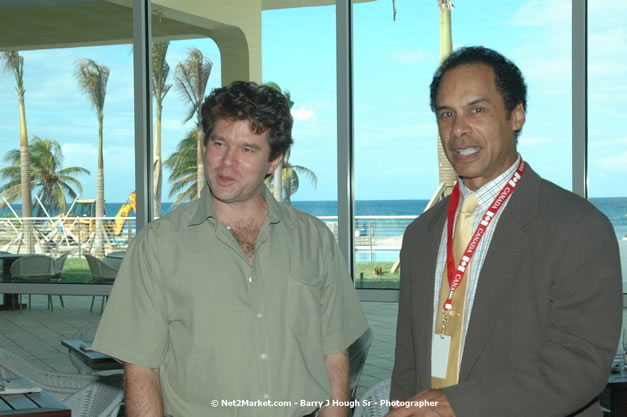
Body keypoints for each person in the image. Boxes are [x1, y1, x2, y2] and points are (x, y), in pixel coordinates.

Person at [93, 81, 368, 417]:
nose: (227, 162)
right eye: (219, 143)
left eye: (247, 150)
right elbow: (141, 369)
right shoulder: (158, 245)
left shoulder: (314, 240)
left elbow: (334, 356)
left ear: (274, 160)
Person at [388, 46, 622, 417]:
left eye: (477, 110)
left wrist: (459, 405)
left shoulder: (578, 227)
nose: (459, 129)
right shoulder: (420, 235)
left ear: (517, 115)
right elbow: (408, 363)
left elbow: (580, 363)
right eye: (446, 114)